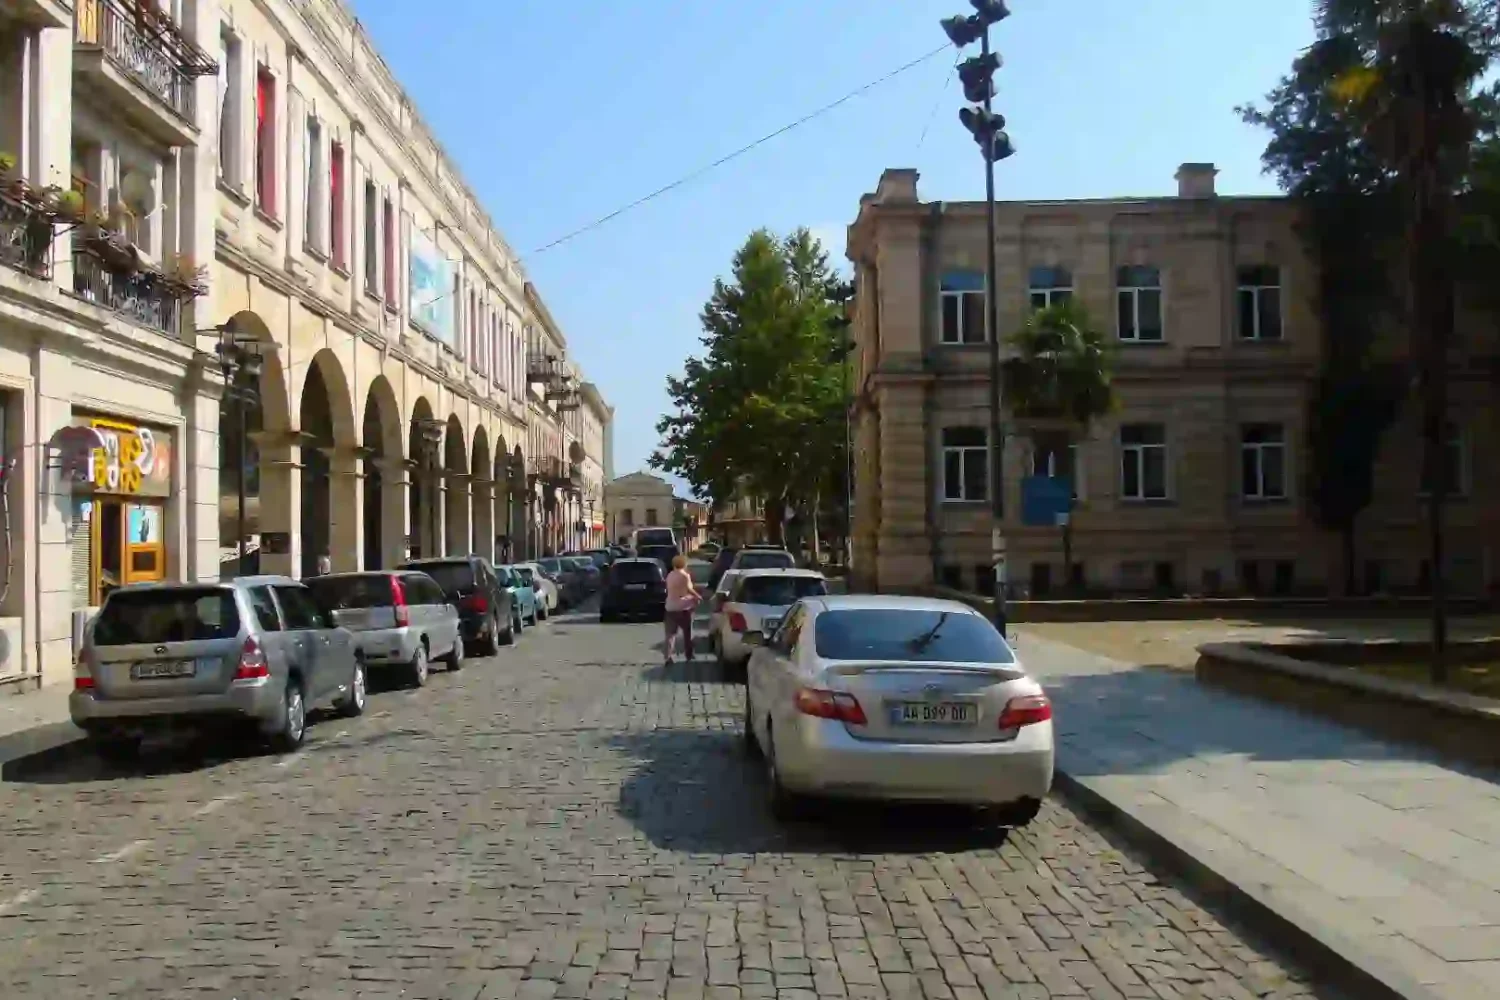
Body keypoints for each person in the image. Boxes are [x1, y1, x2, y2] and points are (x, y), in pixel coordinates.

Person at [663, 553, 700, 666]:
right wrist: (697, 596)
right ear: (684, 564)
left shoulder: (670, 575)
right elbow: (688, 589)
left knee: (670, 635)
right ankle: (689, 654)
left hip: (670, 607)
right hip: (683, 607)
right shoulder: (685, 575)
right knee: (688, 632)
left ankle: (668, 657)